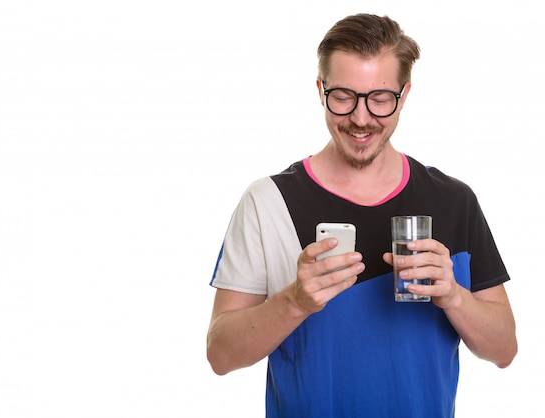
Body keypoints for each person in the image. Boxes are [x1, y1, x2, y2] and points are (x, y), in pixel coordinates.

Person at [206, 13, 517, 418]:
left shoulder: (455, 201)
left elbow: (504, 349)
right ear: (320, 91)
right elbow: (220, 355)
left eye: (380, 98)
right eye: (343, 96)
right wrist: (294, 302)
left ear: (404, 96)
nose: (361, 117)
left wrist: (454, 297)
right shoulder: (267, 202)